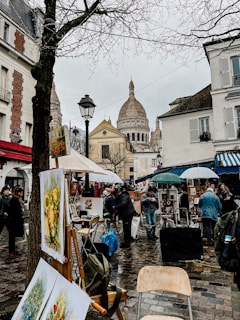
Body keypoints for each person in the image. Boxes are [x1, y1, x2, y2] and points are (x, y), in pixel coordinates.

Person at [7, 186, 24, 258]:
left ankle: (13, 250)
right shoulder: (14, 199)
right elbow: (13, 211)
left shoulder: (18, 199)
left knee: (13, 237)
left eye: (22, 192)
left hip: (15, 220)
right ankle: (11, 251)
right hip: (13, 221)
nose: (21, 193)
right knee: (12, 236)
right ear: (17, 193)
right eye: (20, 192)